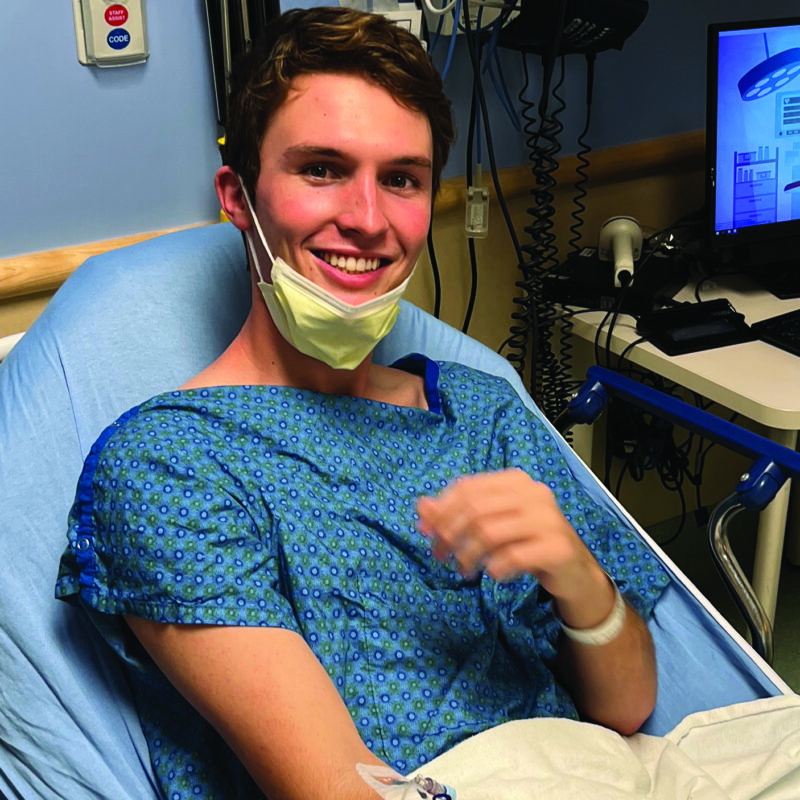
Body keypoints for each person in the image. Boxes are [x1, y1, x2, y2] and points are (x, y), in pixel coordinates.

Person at [56, 7, 669, 799]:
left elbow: (628, 705)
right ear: (238, 196)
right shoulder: (170, 465)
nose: (369, 220)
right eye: (321, 169)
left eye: (402, 179)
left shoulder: (482, 412)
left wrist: (577, 573)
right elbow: (338, 789)